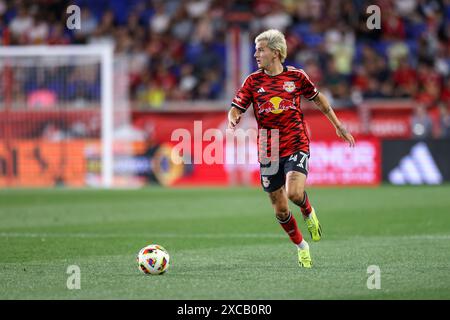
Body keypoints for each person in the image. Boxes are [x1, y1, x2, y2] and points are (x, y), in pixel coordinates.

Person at [228, 29, 355, 268]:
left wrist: (338, 126)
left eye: (260, 49)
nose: (256, 54)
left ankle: (308, 211)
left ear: (275, 53)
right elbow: (236, 107)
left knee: (295, 193)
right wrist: (233, 117)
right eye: (256, 49)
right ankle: (301, 247)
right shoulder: (253, 81)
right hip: (268, 150)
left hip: (296, 142)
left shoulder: (296, 77)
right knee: (280, 210)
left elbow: (319, 99)